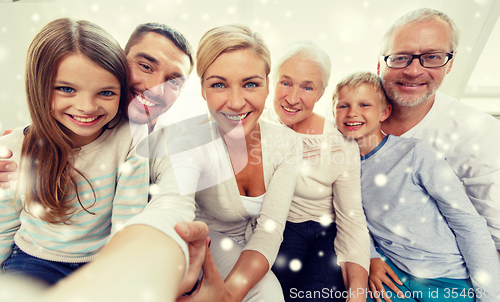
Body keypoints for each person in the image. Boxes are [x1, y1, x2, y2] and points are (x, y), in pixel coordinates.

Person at [0, 18, 192, 286]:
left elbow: (126, 224)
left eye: (104, 93)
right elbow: (5, 225)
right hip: (33, 259)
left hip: (99, 258)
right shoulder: (14, 149)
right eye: (146, 66)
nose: (87, 107)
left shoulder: (136, 141)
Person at [333, 71, 500, 302]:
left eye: (364, 104)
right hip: (391, 274)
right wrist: (370, 257)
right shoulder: (338, 165)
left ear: (384, 112)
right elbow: (351, 220)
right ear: (333, 112)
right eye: (343, 106)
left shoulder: (416, 153)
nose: (352, 113)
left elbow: (467, 221)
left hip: (446, 276)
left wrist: (490, 297)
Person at [163, 24, 302, 302]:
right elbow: (171, 213)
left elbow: (269, 230)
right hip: (203, 244)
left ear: (267, 85)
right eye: (219, 84)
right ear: (203, 90)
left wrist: (227, 296)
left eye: (250, 83)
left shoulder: (287, 143)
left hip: (252, 246)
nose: (237, 102)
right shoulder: (188, 142)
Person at [377, 8, 500, 257]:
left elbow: (495, 235)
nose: (413, 71)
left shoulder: (478, 131)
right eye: (401, 57)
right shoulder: (347, 110)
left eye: (432, 57)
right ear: (379, 64)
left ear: (450, 64)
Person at [262, 41, 369, 301]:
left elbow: (352, 219)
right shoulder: (256, 127)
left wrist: (358, 293)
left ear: (321, 94)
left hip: (326, 233)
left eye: (307, 87)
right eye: (285, 83)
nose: (293, 97)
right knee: (273, 292)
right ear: (271, 83)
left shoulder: (339, 141)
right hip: (281, 229)